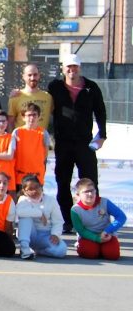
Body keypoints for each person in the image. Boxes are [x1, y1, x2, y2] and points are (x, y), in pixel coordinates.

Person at [48, 54, 107, 232]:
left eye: (75, 67)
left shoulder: (91, 87)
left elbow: (100, 111)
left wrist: (102, 134)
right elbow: (42, 103)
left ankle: (93, 221)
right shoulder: (55, 86)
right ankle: (68, 221)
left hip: (85, 143)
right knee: (63, 182)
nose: (71, 70)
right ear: (63, 68)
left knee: (90, 182)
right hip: (63, 143)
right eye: (68, 67)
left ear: (80, 68)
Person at [71, 178, 125, 261]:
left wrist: (107, 231)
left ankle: (102, 249)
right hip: (88, 236)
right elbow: (81, 230)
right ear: (78, 195)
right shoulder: (75, 210)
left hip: (107, 235)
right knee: (90, 253)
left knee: (112, 255)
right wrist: (97, 238)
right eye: (86, 192)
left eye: (92, 190)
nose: (90, 194)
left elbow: (121, 217)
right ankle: (90, 247)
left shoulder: (104, 202)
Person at [14, 175, 66, 259]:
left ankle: (39, 251)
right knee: (25, 217)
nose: (34, 191)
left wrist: (55, 234)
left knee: (61, 250)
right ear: (24, 191)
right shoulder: (23, 199)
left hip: (46, 235)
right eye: (30, 189)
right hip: (30, 235)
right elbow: (19, 212)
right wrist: (39, 213)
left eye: (36, 187)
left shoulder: (51, 200)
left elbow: (58, 221)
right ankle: (25, 249)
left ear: (41, 187)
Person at [13, 104, 50, 186]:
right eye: (29, 115)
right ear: (23, 117)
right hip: (19, 174)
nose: (32, 118)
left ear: (39, 116)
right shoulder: (17, 132)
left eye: (34, 115)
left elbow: (45, 154)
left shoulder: (43, 133)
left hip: (37, 175)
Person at [7, 63, 52, 130]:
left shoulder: (48, 97)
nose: (32, 78)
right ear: (24, 76)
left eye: (35, 75)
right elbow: (10, 122)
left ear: (39, 76)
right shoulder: (15, 97)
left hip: (41, 138)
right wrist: (12, 139)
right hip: (22, 139)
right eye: (29, 75)